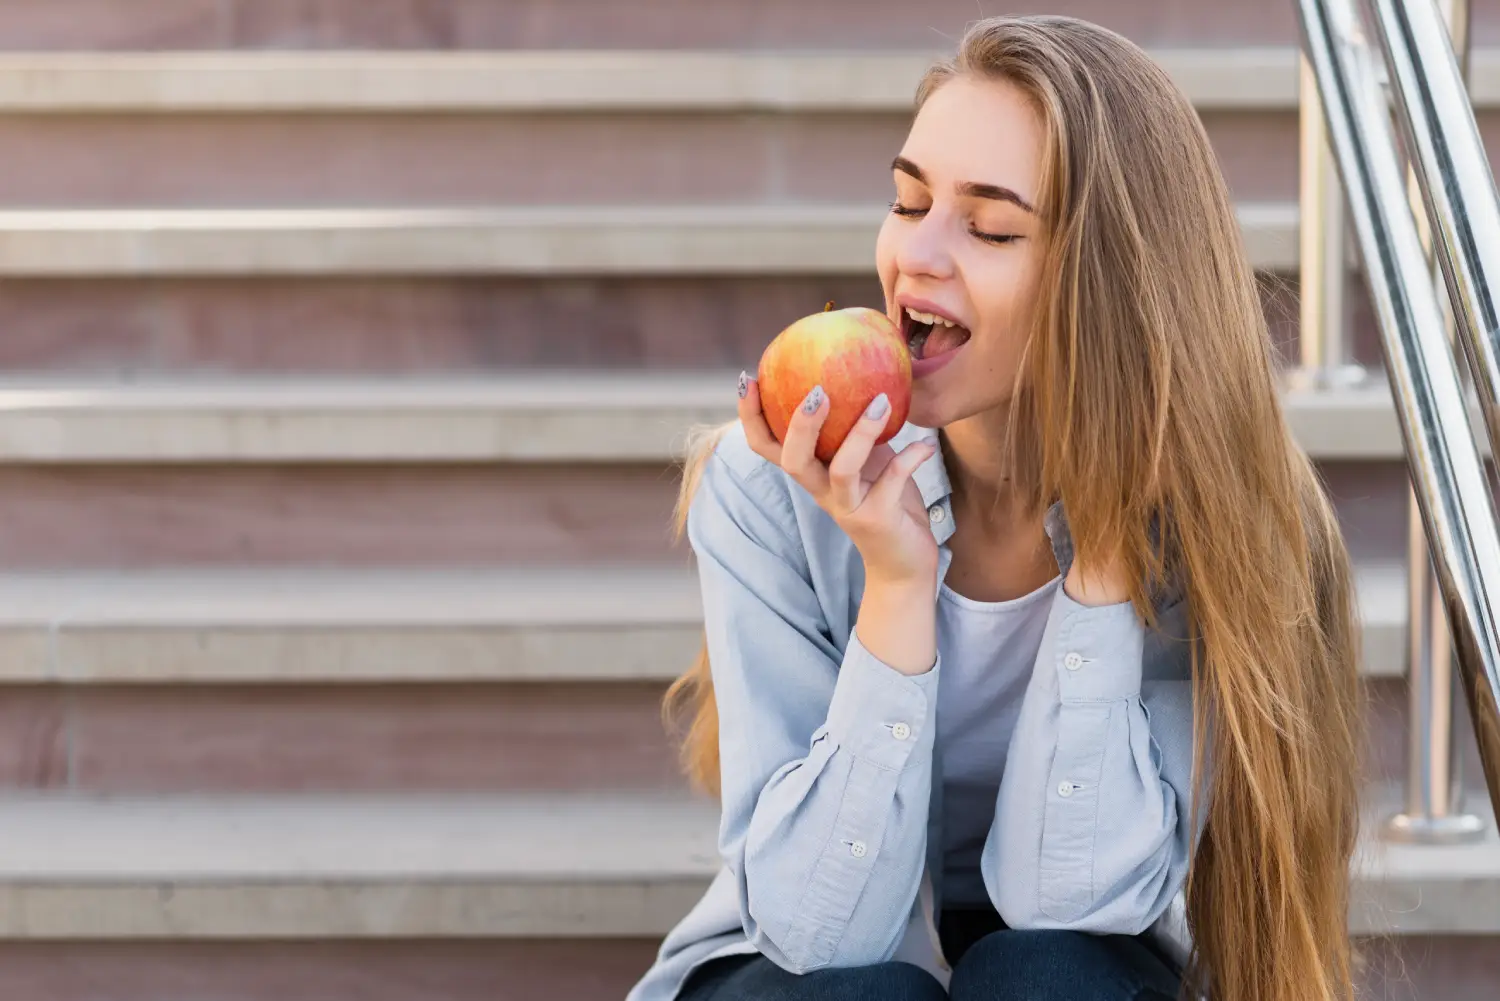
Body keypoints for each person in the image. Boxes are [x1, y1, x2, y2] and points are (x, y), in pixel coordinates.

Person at [628, 15, 1363, 1001]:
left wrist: (1104, 560)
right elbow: (818, 932)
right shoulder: (771, 485)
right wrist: (896, 587)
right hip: (800, 964)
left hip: (1081, 958)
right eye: (908, 200)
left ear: (1110, 282)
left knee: (1044, 972)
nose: (915, 256)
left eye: (992, 227)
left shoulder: (1214, 519)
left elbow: (1072, 898)